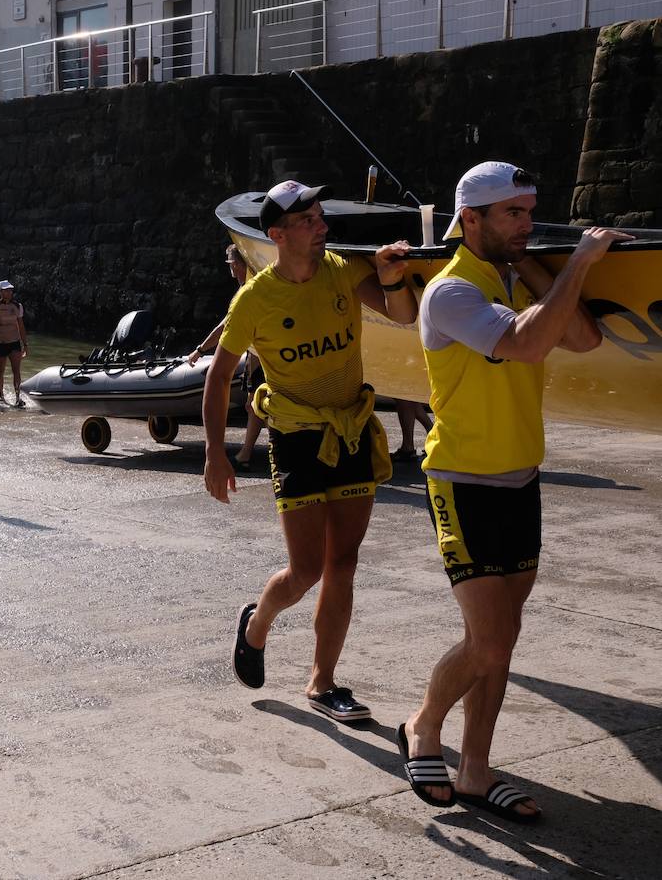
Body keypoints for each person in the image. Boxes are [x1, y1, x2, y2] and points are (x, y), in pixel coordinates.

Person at [399, 162, 627, 821]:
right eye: (512, 215)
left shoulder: (509, 279)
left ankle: (475, 770)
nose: (528, 223)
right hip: (463, 482)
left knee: (501, 634)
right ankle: (422, 724)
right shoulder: (450, 293)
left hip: (520, 478)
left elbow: (582, 339)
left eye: (531, 212)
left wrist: (536, 268)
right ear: (470, 220)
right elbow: (527, 345)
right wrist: (580, 262)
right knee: (490, 642)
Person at [202, 179, 416, 723]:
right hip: (296, 438)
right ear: (277, 235)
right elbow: (220, 377)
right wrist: (215, 453)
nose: (322, 226)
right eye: (309, 221)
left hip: (350, 430)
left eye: (321, 217)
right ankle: (257, 623)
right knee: (306, 570)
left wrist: (392, 279)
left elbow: (402, 315)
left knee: (343, 561)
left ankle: (323, 683)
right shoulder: (254, 298)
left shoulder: (342, 271)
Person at [188, 244, 265, 470]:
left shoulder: (247, 291)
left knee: (257, 405)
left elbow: (224, 327)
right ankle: (246, 454)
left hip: (261, 355)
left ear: (236, 264)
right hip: (254, 354)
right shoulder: (250, 286)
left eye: (231, 265)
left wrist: (200, 350)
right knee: (253, 405)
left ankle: (248, 454)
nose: (230, 270)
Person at [0, 280, 28, 407]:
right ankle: (1, 396)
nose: (9, 292)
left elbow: (21, 326)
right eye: (6, 290)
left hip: (15, 343)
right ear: (0, 291)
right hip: (1, 343)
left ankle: (18, 397)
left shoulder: (17, 306)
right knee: (1, 370)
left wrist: (25, 344)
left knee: (16, 371)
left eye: (10, 290)